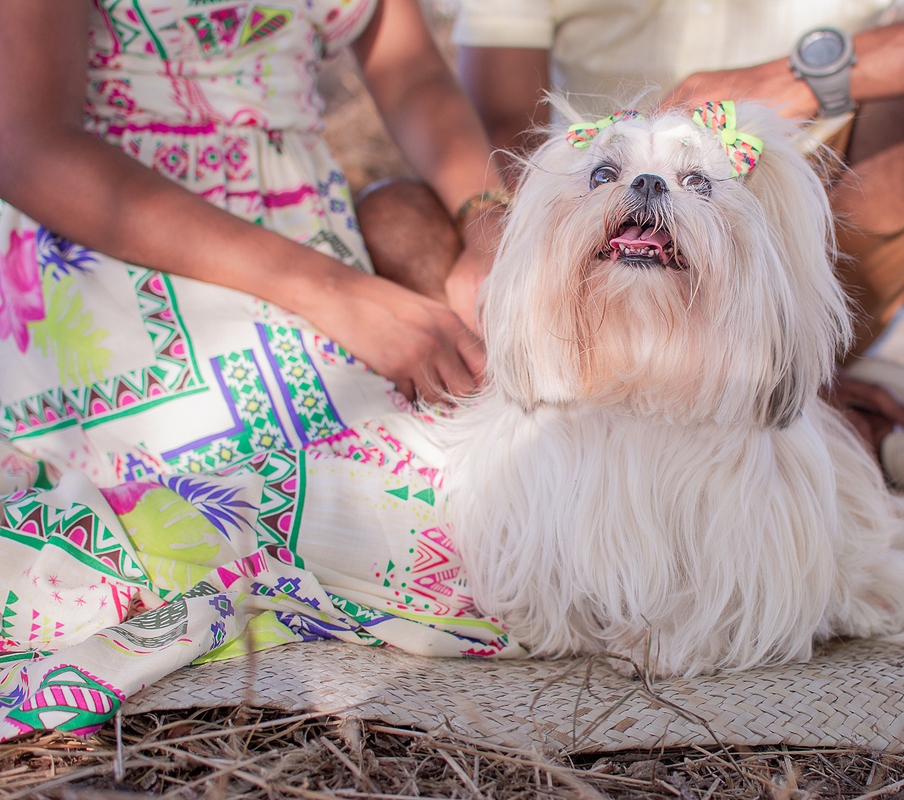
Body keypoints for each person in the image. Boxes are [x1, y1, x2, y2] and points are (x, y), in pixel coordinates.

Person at [433, 0, 904, 607]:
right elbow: (510, 136)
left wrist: (801, 78)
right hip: (587, 244)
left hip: (824, 232)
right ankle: (850, 421)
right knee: (402, 210)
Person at [0, 0, 525, 740]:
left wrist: (488, 219)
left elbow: (413, 76)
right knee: (432, 529)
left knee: (494, 488)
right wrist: (339, 296)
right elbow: (24, 144)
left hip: (311, 233)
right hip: (122, 255)